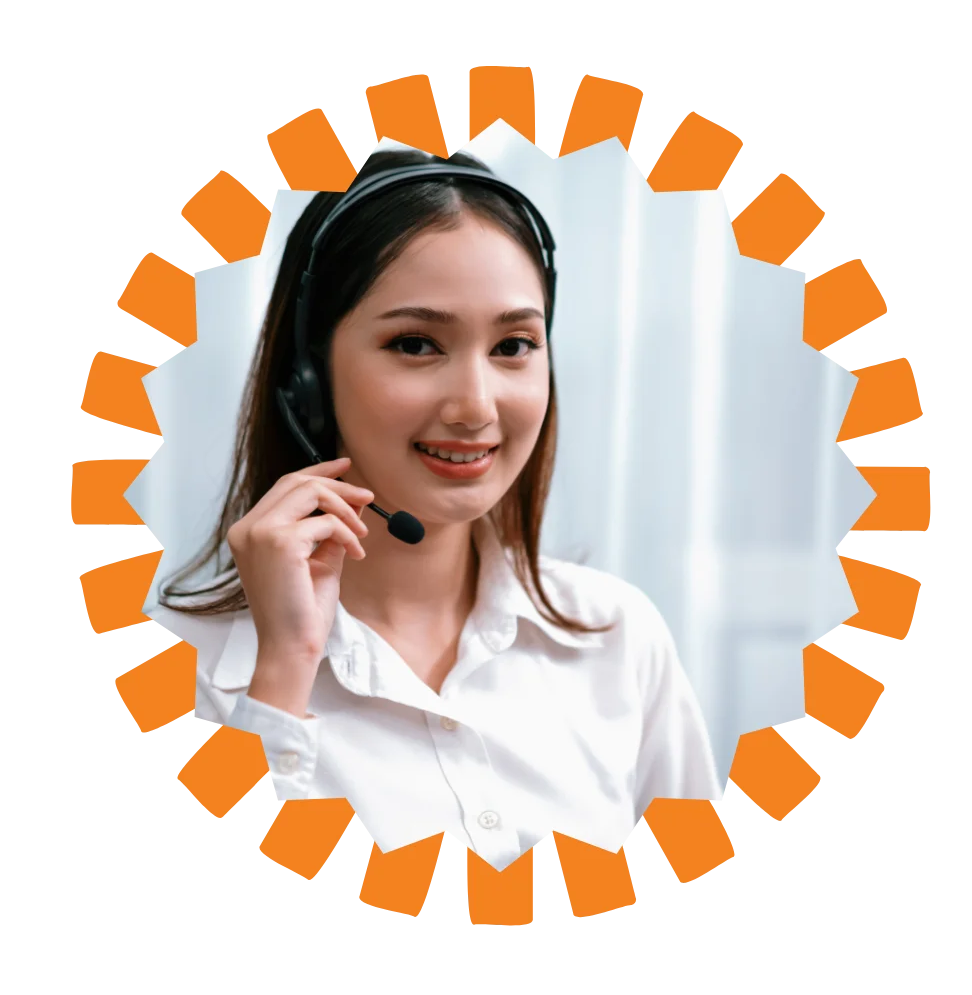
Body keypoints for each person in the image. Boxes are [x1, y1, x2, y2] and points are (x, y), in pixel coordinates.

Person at [149, 148, 723, 872]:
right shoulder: (178, 670)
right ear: (308, 382)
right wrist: (283, 678)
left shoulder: (617, 637)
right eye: (415, 344)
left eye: (514, 345)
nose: (476, 406)